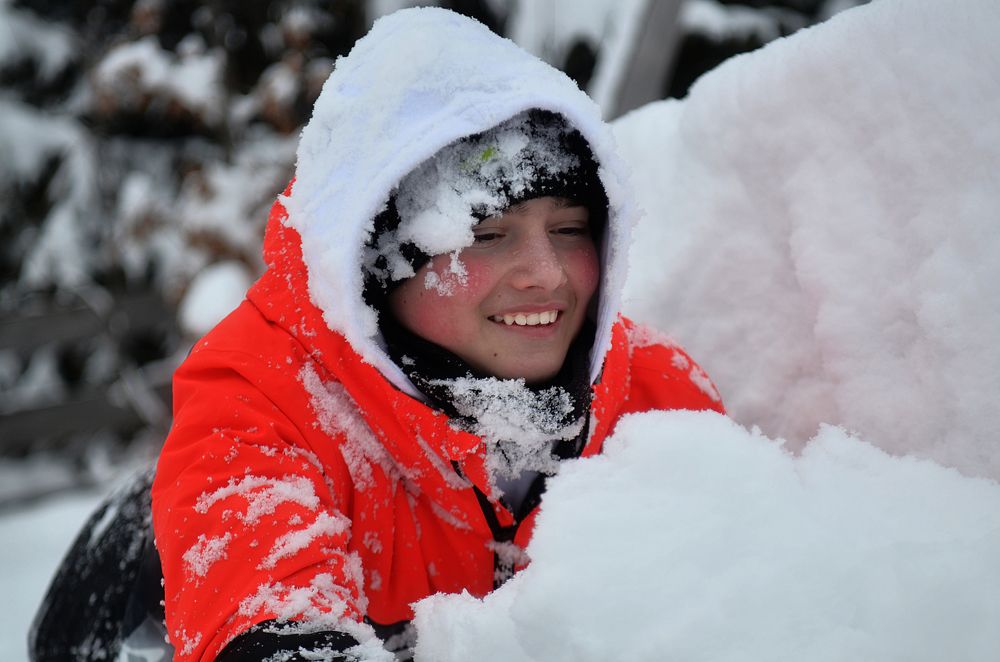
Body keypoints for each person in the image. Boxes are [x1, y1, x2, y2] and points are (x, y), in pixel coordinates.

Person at [36, 8, 724, 662]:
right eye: (488, 235)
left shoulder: (656, 396)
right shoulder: (265, 405)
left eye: (570, 229)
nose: (547, 274)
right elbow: (265, 615)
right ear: (378, 264)